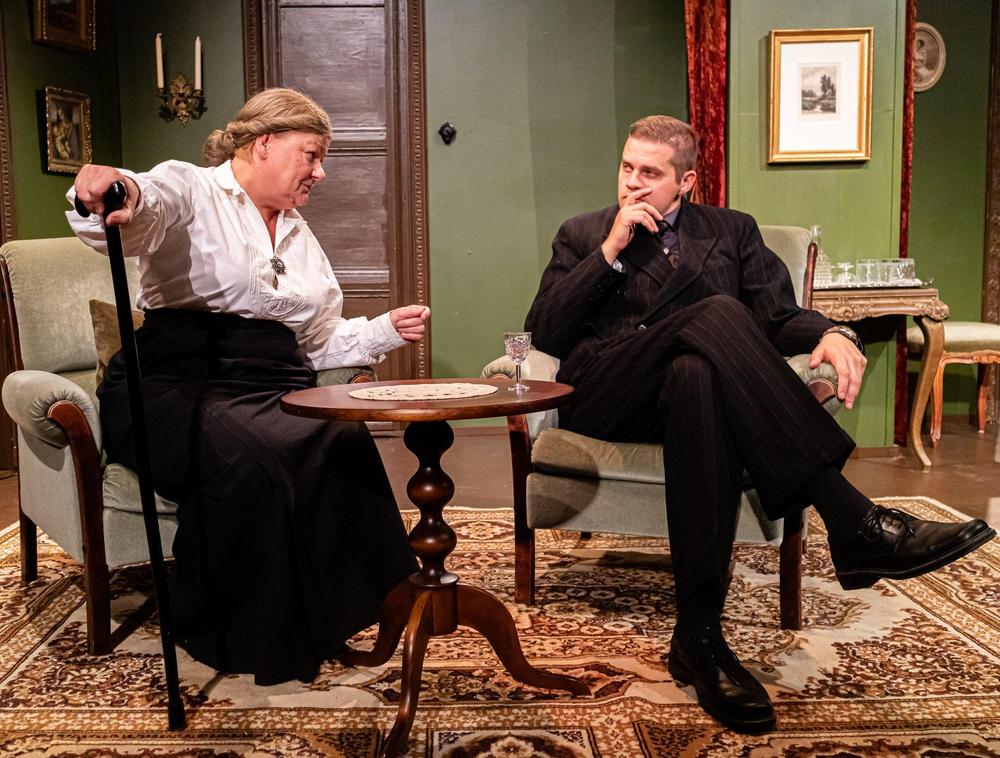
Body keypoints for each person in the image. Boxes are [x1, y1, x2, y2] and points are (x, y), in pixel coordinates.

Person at [524, 115, 996, 733]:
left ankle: (698, 638)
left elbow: (776, 315)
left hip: (684, 401)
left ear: (686, 181)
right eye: (627, 167)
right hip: (608, 392)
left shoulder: (731, 231)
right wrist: (609, 252)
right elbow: (544, 331)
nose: (632, 183)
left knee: (696, 373)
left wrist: (831, 331)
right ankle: (851, 516)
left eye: (650, 173)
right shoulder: (584, 232)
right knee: (718, 312)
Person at [67, 88, 429, 686]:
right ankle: (245, 633)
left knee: (342, 439)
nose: (320, 171)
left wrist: (382, 330)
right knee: (262, 458)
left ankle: (355, 609)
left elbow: (315, 342)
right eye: (312, 155)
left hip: (272, 380)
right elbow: (146, 203)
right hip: (179, 379)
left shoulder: (299, 235)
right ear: (264, 144)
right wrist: (117, 190)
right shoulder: (194, 190)